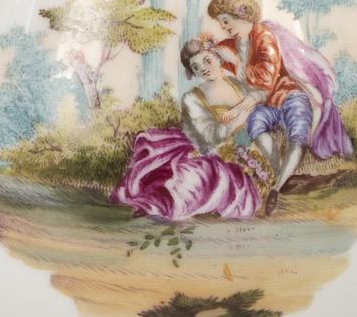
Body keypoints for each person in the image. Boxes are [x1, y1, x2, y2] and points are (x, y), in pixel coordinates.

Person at [109, 38, 272, 221]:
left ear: (218, 59)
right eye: (196, 67)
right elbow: (212, 136)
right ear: (192, 72)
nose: (203, 69)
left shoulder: (235, 83)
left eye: (207, 61)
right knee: (194, 179)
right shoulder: (192, 99)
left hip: (240, 151)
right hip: (206, 152)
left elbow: (262, 92)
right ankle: (158, 206)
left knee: (243, 179)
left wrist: (249, 100)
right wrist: (241, 115)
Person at [203, 0, 352, 192]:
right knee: (255, 124)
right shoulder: (232, 43)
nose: (224, 27)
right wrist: (208, 48)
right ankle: (281, 174)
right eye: (220, 23)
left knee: (298, 132)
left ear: (240, 16)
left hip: (288, 94)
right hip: (265, 104)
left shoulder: (264, 37)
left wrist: (236, 62)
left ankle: (277, 187)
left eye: (226, 21)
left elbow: (265, 79)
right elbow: (214, 60)